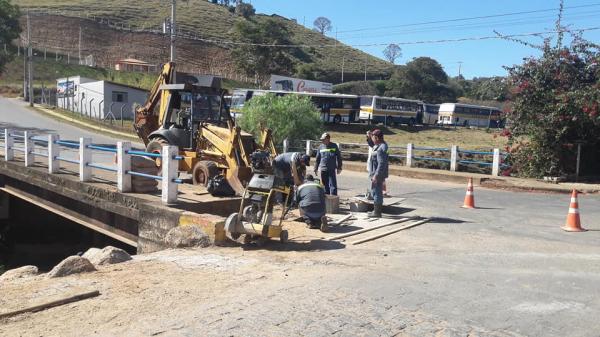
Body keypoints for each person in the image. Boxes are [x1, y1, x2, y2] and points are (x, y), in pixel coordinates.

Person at [367, 129, 389, 218]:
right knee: (374, 191)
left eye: (373, 137)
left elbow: (381, 163)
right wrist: (368, 137)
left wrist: (376, 175)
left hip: (378, 173)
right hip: (377, 173)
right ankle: (376, 210)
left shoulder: (381, 149)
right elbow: (373, 145)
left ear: (376, 137)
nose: (372, 139)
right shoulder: (382, 145)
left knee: (377, 192)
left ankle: (377, 212)